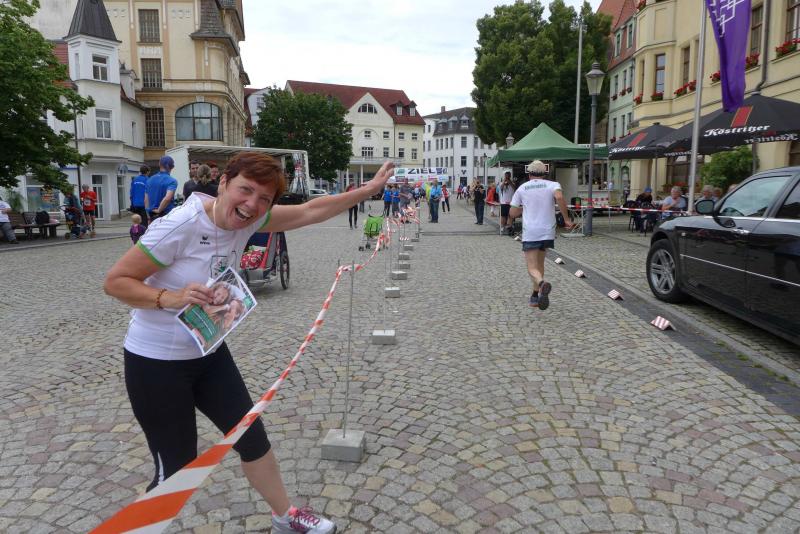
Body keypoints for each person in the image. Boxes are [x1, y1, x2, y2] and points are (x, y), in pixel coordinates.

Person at [104, 153, 395, 534]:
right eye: (245, 190)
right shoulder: (181, 225)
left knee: (252, 438)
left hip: (208, 352)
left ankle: (285, 517)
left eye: (264, 198)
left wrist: (370, 189)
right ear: (224, 183)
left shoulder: (251, 219)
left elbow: (311, 211)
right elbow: (116, 282)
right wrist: (171, 298)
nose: (252, 204)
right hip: (156, 363)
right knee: (175, 469)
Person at [509, 161, 573, 310]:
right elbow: (559, 198)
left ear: (529, 173)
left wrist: (524, 208)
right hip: (547, 231)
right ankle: (535, 296)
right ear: (545, 173)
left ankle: (542, 284)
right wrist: (566, 219)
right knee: (540, 264)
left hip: (531, 231)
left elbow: (512, 213)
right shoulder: (553, 185)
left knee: (532, 267)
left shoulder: (522, 188)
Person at [146, 155, 178, 220]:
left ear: (159, 164)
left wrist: (148, 214)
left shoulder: (150, 179)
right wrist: (159, 210)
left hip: (152, 215)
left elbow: (146, 199)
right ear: (172, 167)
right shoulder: (172, 181)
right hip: (167, 216)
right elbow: (168, 198)